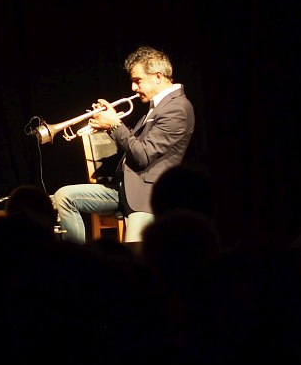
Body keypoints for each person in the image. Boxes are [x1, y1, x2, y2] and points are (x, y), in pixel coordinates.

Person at [53, 45, 195, 245]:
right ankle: (77, 258)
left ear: (158, 76)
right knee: (64, 196)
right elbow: (132, 143)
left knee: (134, 259)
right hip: (124, 189)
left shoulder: (177, 108)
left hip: (146, 198)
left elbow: (143, 156)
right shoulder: (158, 106)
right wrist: (110, 123)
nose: (133, 89)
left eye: (138, 81)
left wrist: (115, 124)